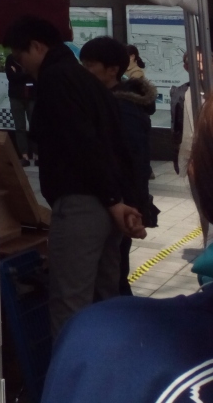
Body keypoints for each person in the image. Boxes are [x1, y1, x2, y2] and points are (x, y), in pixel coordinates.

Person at [41, 93, 213, 403]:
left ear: (197, 177)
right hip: (116, 206)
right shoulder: (125, 106)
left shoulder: (106, 342)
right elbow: (132, 160)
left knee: (77, 295)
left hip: (98, 208)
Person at [4, 15, 145, 339]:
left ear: (37, 47)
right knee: (104, 301)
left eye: (20, 54)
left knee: (71, 307)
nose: (19, 64)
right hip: (108, 206)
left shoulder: (56, 79)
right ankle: (108, 369)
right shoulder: (89, 82)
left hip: (82, 205)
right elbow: (119, 149)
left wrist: (113, 201)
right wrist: (121, 202)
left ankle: (72, 372)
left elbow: (82, 143)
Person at [79, 35, 160, 295]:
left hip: (121, 201)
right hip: (112, 198)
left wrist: (134, 205)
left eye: (90, 65)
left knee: (114, 273)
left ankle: (120, 316)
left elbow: (133, 160)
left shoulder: (122, 108)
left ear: (112, 70)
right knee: (111, 271)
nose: (84, 71)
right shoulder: (104, 100)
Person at [4, 52, 36, 163]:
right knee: (19, 127)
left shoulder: (31, 57)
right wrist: (26, 74)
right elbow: (11, 77)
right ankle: (24, 155)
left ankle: (37, 154)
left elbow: (35, 77)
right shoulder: (10, 58)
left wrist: (19, 74)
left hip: (32, 96)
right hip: (16, 97)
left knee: (35, 126)